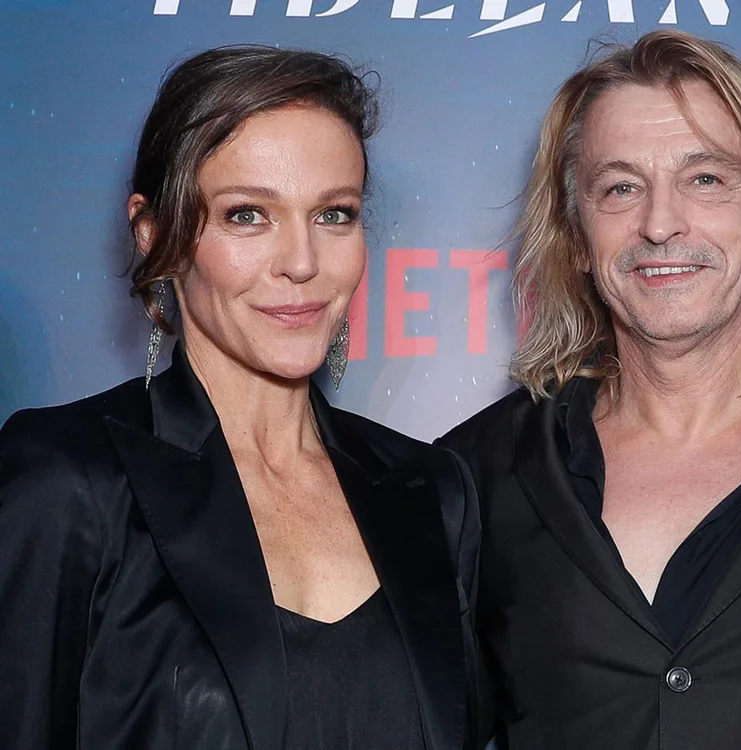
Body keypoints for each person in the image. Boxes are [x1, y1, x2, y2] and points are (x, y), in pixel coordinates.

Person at [0, 46, 480, 750]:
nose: (303, 262)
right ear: (155, 233)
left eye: (335, 214)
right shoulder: (66, 477)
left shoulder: (433, 491)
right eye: (248, 215)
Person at [440, 29, 741, 749]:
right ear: (577, 235)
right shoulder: (473, 474)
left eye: (706, 179)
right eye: (620, 187)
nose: (659, 224)